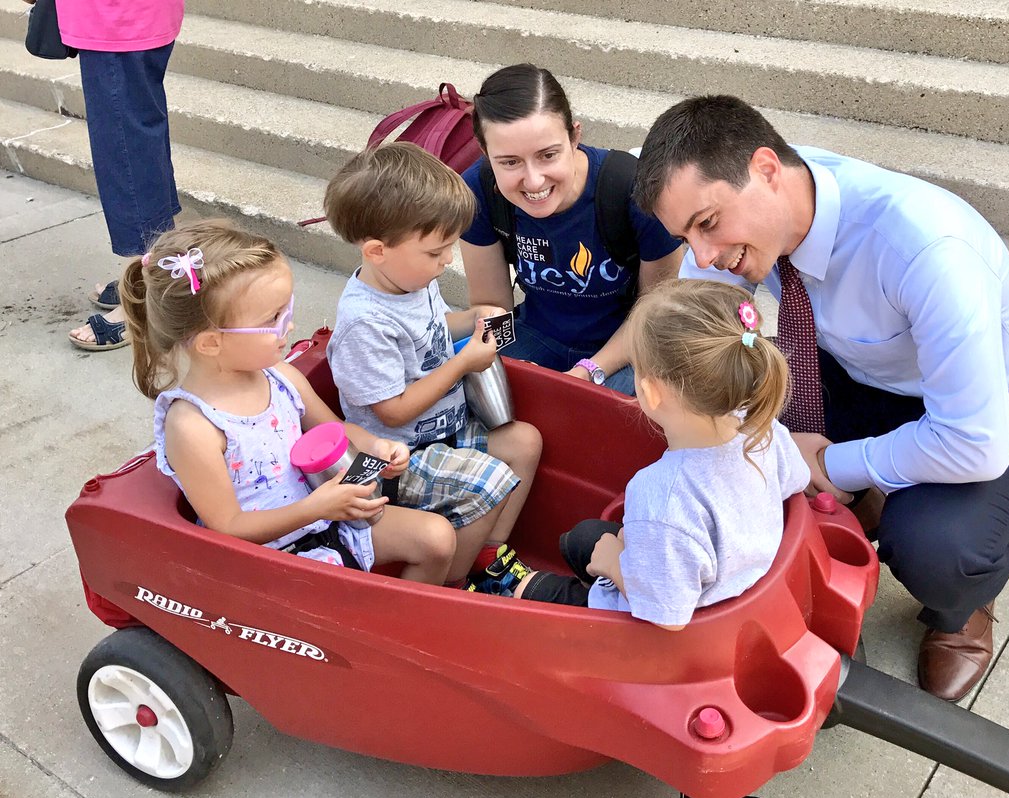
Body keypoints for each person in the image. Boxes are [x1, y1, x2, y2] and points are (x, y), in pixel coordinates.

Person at [634, 95, 1009, 700]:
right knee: (717, 446)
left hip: (985, 405)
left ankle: (961, 604)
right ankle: (862, 504)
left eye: (706, 224)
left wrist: (827, 462)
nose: (702, 257)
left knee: (938, 547)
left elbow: (975, 443)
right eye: (685, 236)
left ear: (767, 170)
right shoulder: (763, 216)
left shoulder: (928, 247)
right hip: (848, 369)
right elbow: (706, 327)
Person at [122, 219, 456, 584]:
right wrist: (316, 507)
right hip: (270, 561)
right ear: (211, 343)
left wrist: (376, 445)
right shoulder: (193, 426)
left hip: (328, 517)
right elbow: (229, 527)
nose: (290, 327)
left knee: (437, 538)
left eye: (287, 311)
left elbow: (336, 430)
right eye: (274, 319)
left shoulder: (280, 375)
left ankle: (402, 626)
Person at [471, 280, 809, 631]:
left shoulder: (663, 495)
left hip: (651, 625)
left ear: (649, 391)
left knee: (542, 587)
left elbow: (667, 614)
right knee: (586, 537)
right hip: (731, 583)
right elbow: (795, 481)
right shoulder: (763, 432)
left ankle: (506, 590)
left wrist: (613, 564)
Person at [323, 142, 543, 587]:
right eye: (435, 252)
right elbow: (393, 411)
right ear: (377, 251)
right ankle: (454, 585)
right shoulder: (364, 322)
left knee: (524, 443)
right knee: (489, 480)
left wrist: (473, 317)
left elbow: (433, 325)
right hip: (395, 458)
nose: (446, 262)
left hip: (446, 428)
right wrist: (463, 363)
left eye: (448, 248)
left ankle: (487, 555)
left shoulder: (409, 281)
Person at [458, 64, 683, 395]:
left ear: (575, 136)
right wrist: (501, 365)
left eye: (548, 155)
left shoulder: (634, 188)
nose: (533, 180)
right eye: (509, 162)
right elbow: (493, 308)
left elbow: (654, 313)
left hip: (627, 344)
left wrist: (587, 371)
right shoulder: (479, 189)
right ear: (485, 153)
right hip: (536, 335)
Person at [32, 0, 184, 351]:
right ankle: (152, 269)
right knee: (138, 144)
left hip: (116, 21)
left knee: (126, 154)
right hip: (127, 19)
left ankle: (148, 295)